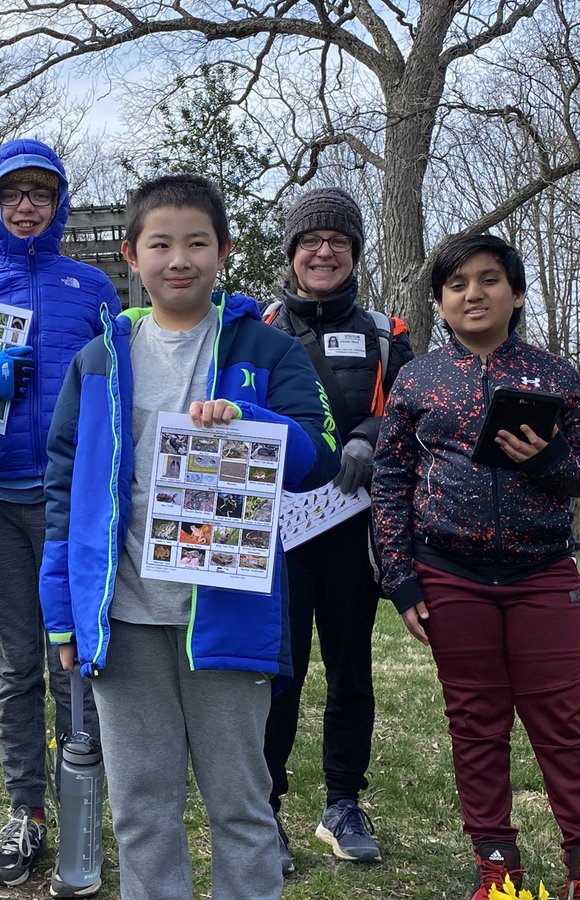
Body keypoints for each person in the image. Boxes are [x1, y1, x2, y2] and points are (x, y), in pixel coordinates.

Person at [41, 174, 340, 900]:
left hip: (229, 619)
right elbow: (62, 491)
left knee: (241, 805)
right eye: (161, 244)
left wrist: (253, 424)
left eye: (197, 243)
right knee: (141, 808)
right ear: (131, 255)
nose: (180, 259)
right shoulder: (100, 360)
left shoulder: (267, 351)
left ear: (225, 251)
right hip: (124, 621)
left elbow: (320, 456)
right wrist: (64, 613)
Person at [371, 234, 580, 900]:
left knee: (561, 719)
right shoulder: (418, 379)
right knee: (475, 720)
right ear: (440, 302)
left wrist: (544, 458)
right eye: (457, 285)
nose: (472, 294)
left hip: (542, 572)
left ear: (516, 293)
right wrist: (399, 576)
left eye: (488, 281)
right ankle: (497, 869)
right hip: (450, 572)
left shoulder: (553, 376)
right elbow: (390, 477)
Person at [0, 138, 121, 891]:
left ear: (59, 204)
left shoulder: (94, 287)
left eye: (39, 195)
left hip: (76, 504)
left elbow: (129, 377)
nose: (26, 207)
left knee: (77, 659)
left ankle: (87, 811)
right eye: (12, 195)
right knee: (18, 665)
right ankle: (28, 812)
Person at [261, 187, 413, 871]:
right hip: (280, 536)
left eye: (338, 241)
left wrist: (369, 436)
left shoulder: (388, 333)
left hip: (356, 535)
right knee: (278, 675)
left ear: (354, 253)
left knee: (351, 671)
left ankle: (343, 804)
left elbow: (412, 416)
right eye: (310, 240)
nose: (324, 251)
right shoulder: (257, 326)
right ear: (291, 253)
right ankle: (264, 809)